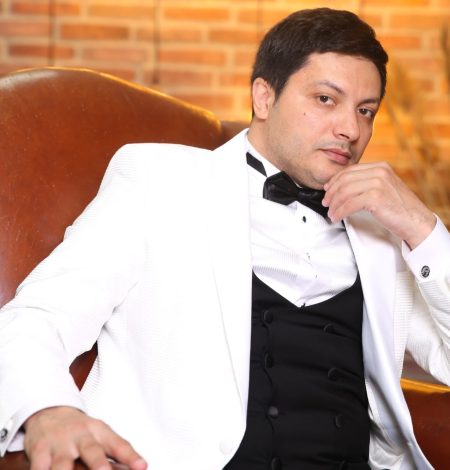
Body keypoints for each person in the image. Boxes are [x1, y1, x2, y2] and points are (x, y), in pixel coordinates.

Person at [0, 7, 449, 470]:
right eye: (325, 99)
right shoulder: (160, 181)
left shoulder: (382, 234)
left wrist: (422, 227)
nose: (350, 130)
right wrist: (48, 411)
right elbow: (36, 319)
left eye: (365, 111)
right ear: (264, 97)